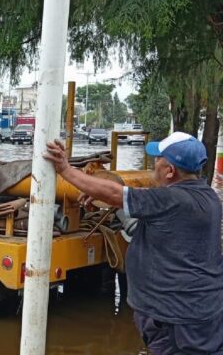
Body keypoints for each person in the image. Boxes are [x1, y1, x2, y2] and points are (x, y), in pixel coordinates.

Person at [44, 132, 223, 354]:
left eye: (158, 159)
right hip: (202, 312)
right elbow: (138, 200)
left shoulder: (170, 200)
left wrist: (65, 169)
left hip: (176, 321)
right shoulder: (208, 198)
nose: (154, 163)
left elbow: (115, 193)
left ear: (170, 171)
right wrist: (111, 199)